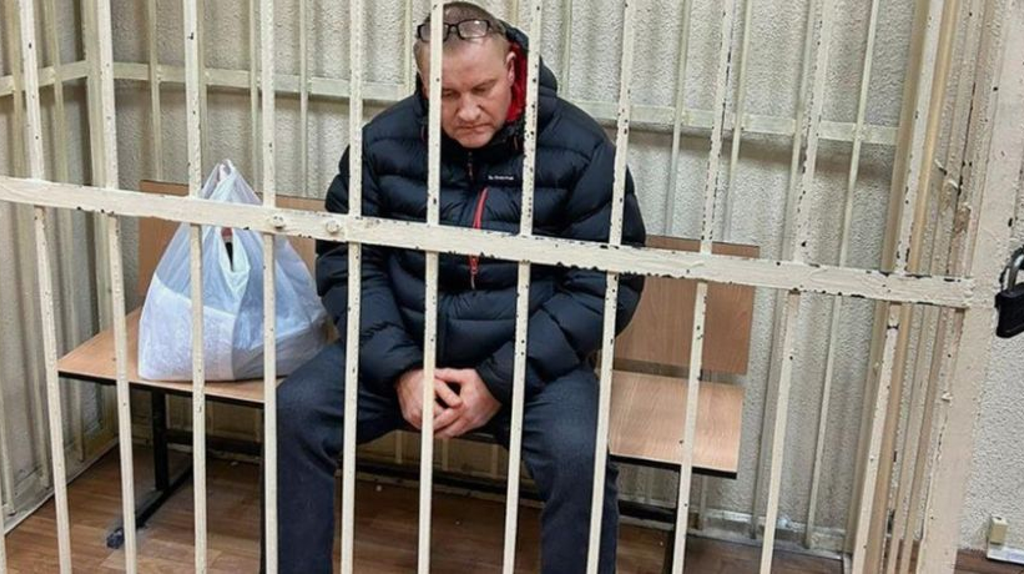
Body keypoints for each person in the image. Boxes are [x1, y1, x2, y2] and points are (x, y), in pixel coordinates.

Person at [275, 3, 646, 572]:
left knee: (582, 458)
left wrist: (499, 380)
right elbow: (348, 261)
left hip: (530, 364)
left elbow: (604, 284)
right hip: (402, 350)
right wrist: (402, 370)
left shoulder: (579, 146)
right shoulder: (383, 142)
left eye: (483, 89)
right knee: (296, 410)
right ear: (423, 81)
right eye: (446, 93)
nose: (467, 111)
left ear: (513, 68)